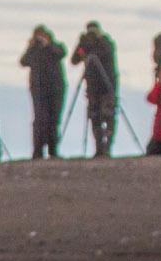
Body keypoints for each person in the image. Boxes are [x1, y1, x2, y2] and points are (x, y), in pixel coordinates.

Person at [71, 21, 119, 158]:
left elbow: (105, 53)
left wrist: (95, 42)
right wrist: (81, 45)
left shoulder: (106, 42)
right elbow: (74, 60)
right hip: (93, 89)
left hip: (107, 86)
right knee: (95, 117)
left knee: (108, 116)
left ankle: (107, 146)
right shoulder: (85, 45)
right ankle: (99, 147)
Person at [20, 25, 68, 159]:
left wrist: (48, 45)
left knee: (54, 119)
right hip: (38, 89)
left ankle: (53, 150)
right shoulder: (33, 50)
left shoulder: (56, 47)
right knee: (40, 119)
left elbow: (61, 54)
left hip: (56, 88)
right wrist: (30, 47)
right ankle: (37, 151)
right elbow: (23, 62)